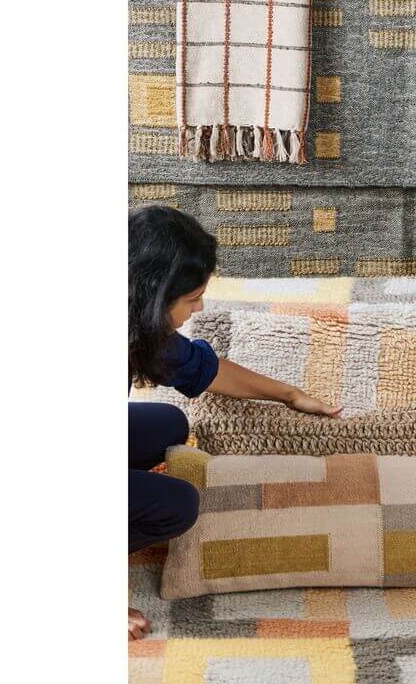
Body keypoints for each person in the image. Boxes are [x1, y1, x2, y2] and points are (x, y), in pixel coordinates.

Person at [128, 206, 342, 640]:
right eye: (191, 298)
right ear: (152, 294)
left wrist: (291, 395)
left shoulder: (134, 324)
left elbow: (202, 369)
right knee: (177, 504)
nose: (200, 307)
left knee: (168, 423)